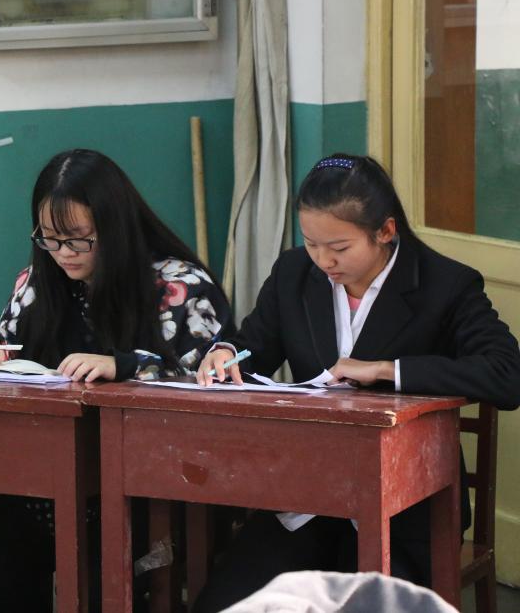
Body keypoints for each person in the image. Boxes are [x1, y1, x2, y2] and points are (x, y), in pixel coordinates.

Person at [192, 154, 520, 612]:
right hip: (306, 496)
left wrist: (388, 370)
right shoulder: (294, 273)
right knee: (228, 604)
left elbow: (506, 374)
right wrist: (226, 352)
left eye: (340, 248)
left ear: (385, 231)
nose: (323, 260)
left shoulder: (445, 285)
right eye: (311, 243)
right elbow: (254, 345)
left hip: (405, 510)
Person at [0, 148, 232, 612]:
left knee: (103, 587)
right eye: (50, 239)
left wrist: (125, 367)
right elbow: (8, 353)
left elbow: (213, 384)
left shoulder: (179, 287)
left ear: (115, 228)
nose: (63, 253)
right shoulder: (37, 282)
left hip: (149, 490)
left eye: (79, 240)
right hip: (46, 481)